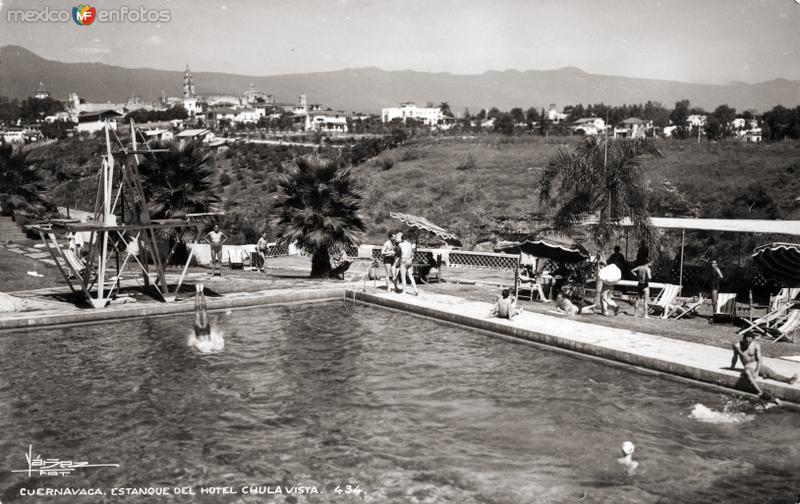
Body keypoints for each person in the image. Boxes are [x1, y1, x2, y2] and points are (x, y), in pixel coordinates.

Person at [731, 331, 797, 401]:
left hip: (757, 365)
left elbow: (759, 360)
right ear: (743, 339)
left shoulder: (756, 345)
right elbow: (735, 357)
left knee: (773, 374)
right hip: (748, 366)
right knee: (748, 373)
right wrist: (732, 367)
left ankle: (789, 380)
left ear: (752, 340)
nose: (747, 343)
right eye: (746, 341)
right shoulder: (737, 346)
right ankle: (760, 392)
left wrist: (757, 371)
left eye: (749, 342)